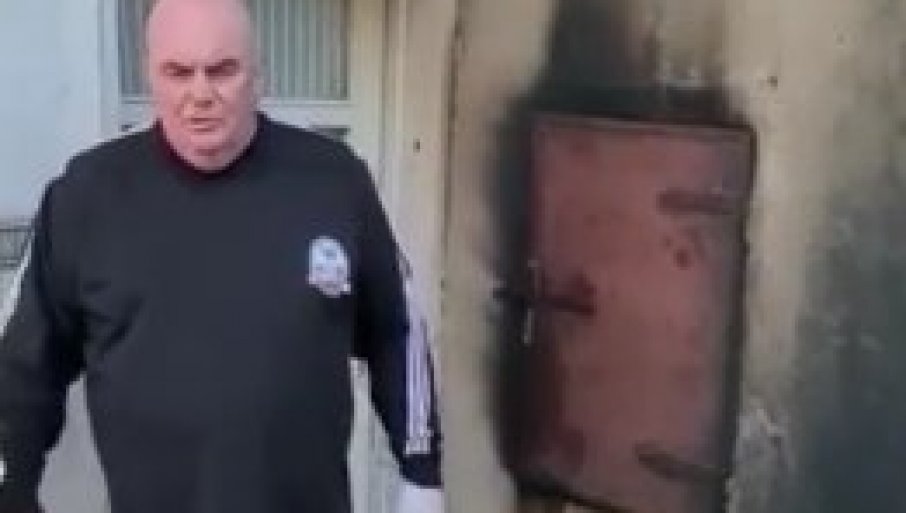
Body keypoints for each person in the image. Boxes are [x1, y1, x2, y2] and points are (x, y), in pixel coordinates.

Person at [0, 0, 444, 511]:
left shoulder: (333, 182)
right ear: (150, 75)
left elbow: (397, 330)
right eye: (178, 72)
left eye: (221, 70)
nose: (200, 94)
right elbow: (22, 364)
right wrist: (11, 482)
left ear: (257, 76)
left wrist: (421, 474)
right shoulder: (87, 196)